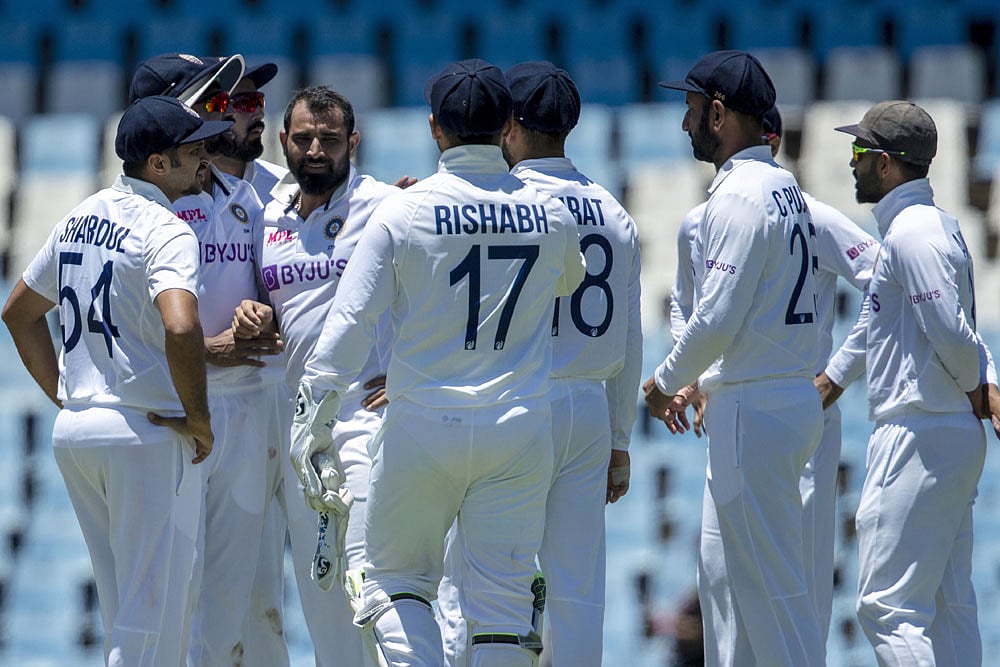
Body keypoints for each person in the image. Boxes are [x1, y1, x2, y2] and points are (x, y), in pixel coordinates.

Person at [288, 59, 584, 666]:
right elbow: (568, 279)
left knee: (393, 580)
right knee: (502, 606)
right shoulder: (553, 213)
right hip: (521, 428)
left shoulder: (403, 210)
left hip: (422, 426)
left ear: (433, 129)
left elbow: (349, 326)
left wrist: (310, 420)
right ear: (506, 125)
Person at [1, 95, 229, 665]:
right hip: (144, 434)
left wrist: (65, 398)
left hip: (79, 432)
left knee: (124, 612)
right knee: (148, 618)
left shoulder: (78, 216)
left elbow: (18, 313)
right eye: (194, 152)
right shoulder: (168, 230)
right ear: (157, 164)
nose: (206, 161)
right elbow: (181, 325)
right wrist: (199, 418)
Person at [436, 60, 642, 666]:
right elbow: (629, 338)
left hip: (517, 399)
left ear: (511, 127)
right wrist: (621, 439)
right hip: (588, 407)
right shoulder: (615, 212)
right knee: (578, 588)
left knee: (480, 574)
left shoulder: (512, 204)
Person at [671, 105, 881, 648]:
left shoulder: (811, 214)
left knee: (799, 582)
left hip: (798, 401)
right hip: (738, 406)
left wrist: (836, 373)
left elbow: (887, 281)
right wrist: (693, 375)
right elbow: (686, 306)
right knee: (720, 578)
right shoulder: (702, 221)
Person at [646, 50, 826, 666]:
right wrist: (699, 381)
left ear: (718, 114)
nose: (684, 123)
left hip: (758, 403)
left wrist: (666, 383)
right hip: (766, 399)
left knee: (771, 597)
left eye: (692, 109)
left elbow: (717, 319)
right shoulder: (784, 190)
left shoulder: (741, 197)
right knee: (725, 588)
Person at [815, 100, 995, 666]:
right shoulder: (936, 226)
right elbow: (878, 322)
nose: (852, 163)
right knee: (948, 605)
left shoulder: (912, 233)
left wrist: (977, 387)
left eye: (860, 152)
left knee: (887, 608)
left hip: (919, 430)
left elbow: (947, 327)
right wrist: (830, 383)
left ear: (887, 164)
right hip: (947, 433)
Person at [232, 85, 401, 667]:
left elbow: (442, 285)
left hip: (367, 418)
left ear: (354, 142)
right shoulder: (265, 216)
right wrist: (250, 314)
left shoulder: (386, 205)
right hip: (299, 430)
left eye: (330, 140)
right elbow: (264, 301)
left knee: (372, 593)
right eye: (303, 139)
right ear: (283, 142)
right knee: (322, 597)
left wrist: (410, 374)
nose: (316, 151)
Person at [130, 53, 288, 665]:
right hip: (171, 414)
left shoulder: (243, 196)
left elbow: (272, 286)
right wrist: (211, 350)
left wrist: (257, 316)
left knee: (242, 597)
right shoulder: (139, 209)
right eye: (220, 102)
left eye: (242, 103)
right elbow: (134, 323)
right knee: (174, 598)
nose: (236, 113)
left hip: (246, 409)